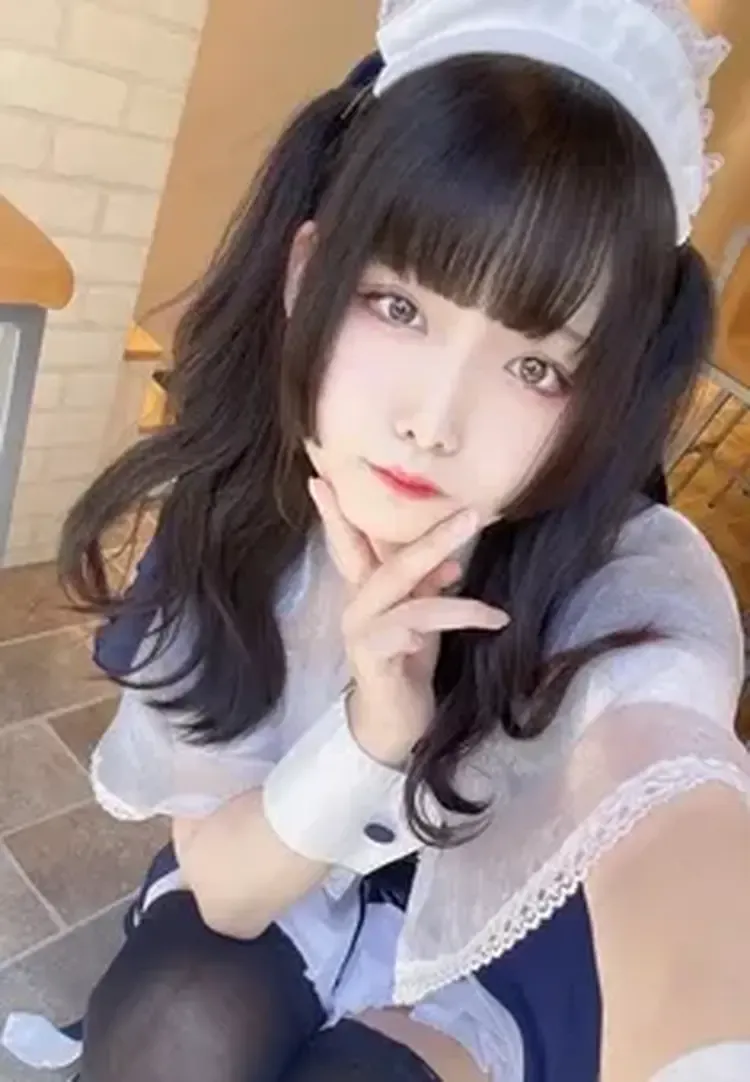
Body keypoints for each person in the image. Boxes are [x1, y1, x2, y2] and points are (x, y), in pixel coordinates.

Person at [4, 1, 749, 1080]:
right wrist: (370, 731)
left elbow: (675, 802)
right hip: (280, 873)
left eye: (536, 366)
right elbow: (228, 890)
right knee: (176, 1022)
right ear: (307, 272)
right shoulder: (238, 510)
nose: (433, 422)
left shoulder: (631, 581)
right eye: (398, 306)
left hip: (493, 967)